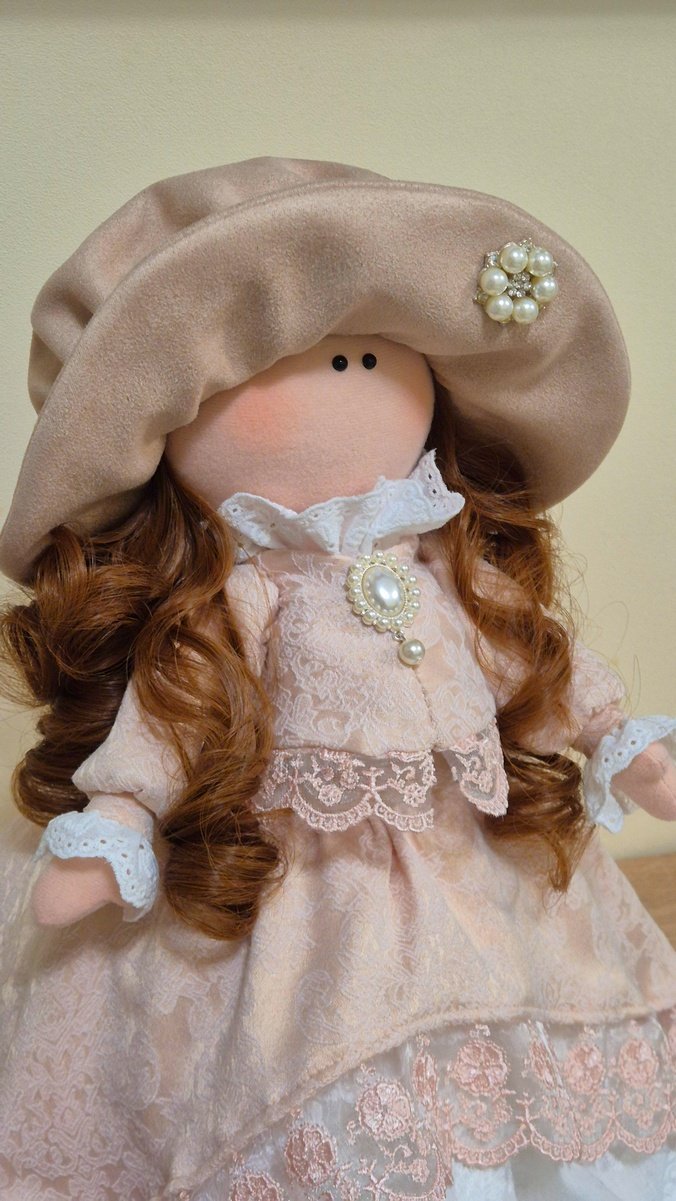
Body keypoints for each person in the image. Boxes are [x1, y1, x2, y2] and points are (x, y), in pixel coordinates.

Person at [0, 158, 674, 1200]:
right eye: (278, 370)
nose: (344, 385)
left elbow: (529, 659)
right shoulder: (237, 601)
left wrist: (614, 741)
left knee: (528, 1017)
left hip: (475, 858)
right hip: (292, 890)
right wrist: (122, 819)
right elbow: (177, 710)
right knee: (320, 1054)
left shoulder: (449, 568)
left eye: (366, 357)